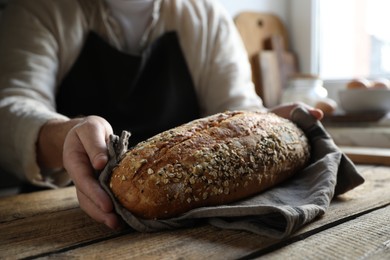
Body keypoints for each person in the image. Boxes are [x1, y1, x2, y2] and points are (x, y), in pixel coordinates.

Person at [0, 0, 323, 230]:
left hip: (190, 221)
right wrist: (64, 133)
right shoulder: (39, 8)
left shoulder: (205, 14)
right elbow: (12, 106)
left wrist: (266, 120)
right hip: (56, 211)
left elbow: (237, 108)